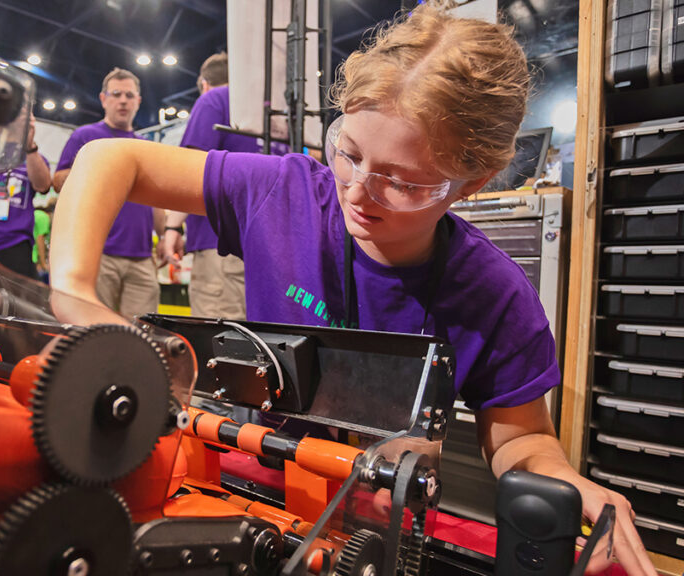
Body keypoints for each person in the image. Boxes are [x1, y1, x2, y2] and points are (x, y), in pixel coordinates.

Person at [49, 6, 655, 575]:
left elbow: (522, 437)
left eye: (402, 182)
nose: (359, 192)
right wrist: (74, 289)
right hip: (247, 485)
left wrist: (561, 480)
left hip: (377, 524)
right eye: (350, 151)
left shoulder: (495, 293)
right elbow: (108, 159)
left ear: (473, 182)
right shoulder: (281, 195)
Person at [161, 52, 287, 319]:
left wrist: (172, 227)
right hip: (273, 248)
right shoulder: (273, 113)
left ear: (204, 84)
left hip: (219, 242)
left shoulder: (214, 100)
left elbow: (191, 169)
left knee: (221, 337)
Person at [53, 67, 165, 317]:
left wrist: (166, 235)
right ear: (103, 99)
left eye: (129, 95)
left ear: (138, 101)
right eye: (116, 94)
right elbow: (59, 180)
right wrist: (99, 172)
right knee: (92, 329)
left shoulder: (146, 145)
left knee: (144, 333)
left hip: (142, 257)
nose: (123, 100)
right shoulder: (86, 136)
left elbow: (158, 198)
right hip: (98, 253)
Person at [0, 115, 52, 279]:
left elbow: (43, 186)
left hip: (14, 244)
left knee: (14, 302)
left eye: (27, 113)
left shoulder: (34, 159)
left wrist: (29, 147)